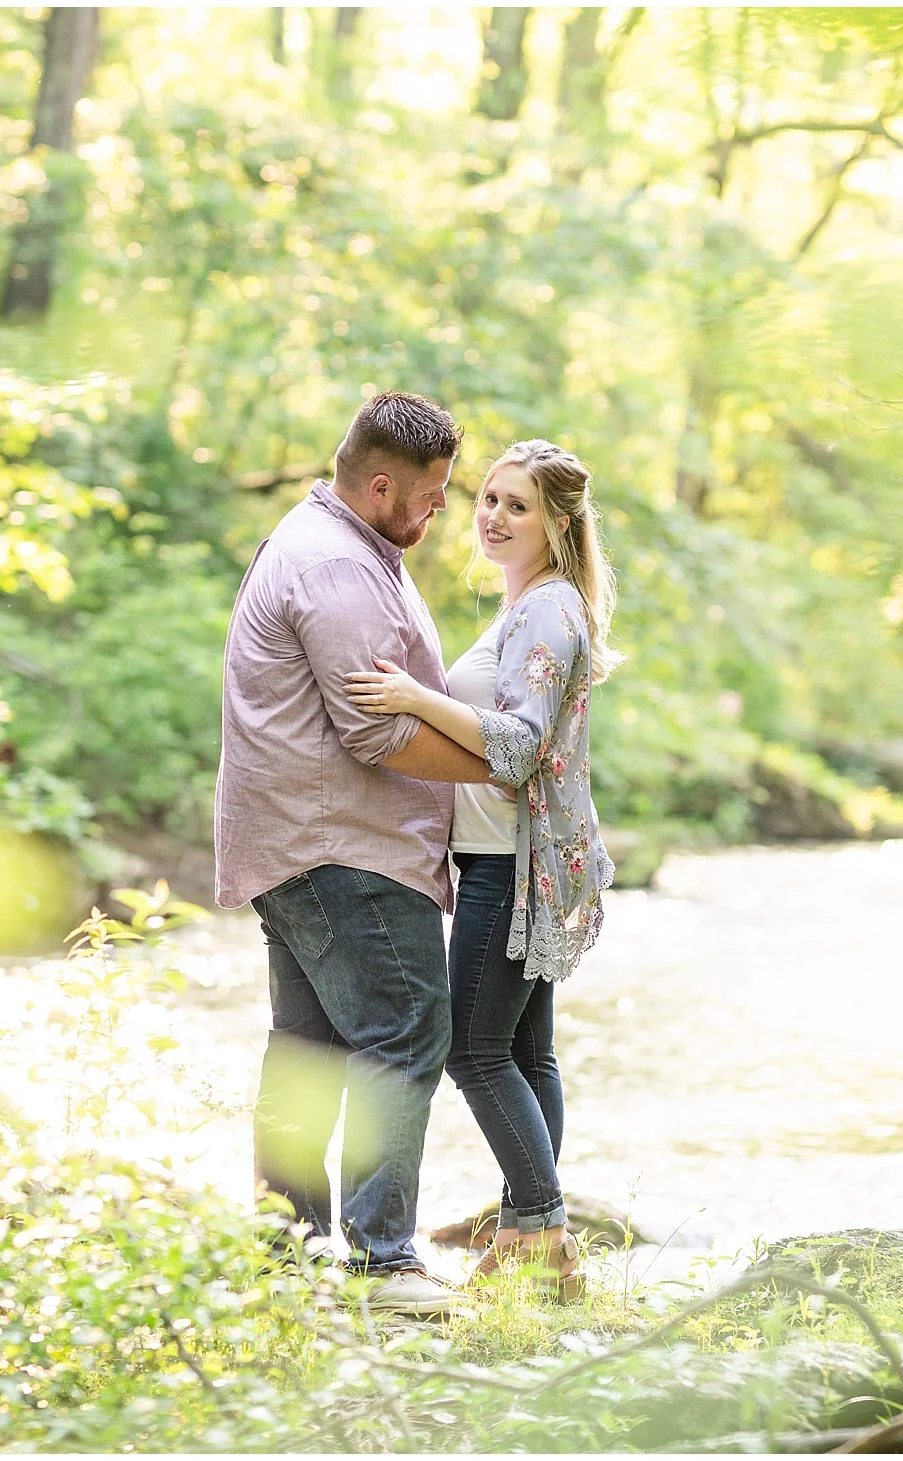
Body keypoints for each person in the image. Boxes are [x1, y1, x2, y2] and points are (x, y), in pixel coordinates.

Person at [213, 391, 490, 1317]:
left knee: (307, 1050)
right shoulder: (335, 566)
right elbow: (378, 734)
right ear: (380, 487)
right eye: (433, 493)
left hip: (299, 843)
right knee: (407, 1026)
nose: (441, 509)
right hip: (343, 850)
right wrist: (507, 764)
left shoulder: (332, 542)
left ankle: (284, 1252)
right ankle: (382, 1263)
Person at [344, 438, 620, 1303]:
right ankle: (521, 1233)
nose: (493, 517)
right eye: (489, 499)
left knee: (473, 1048)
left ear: (559, 523)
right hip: (510, 855)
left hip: (511, 861)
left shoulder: (547, 610)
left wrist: (415, 698)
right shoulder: (530, 604)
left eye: (518, 505)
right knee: (526, 1052)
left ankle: (545, 1235)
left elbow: (518, 746)